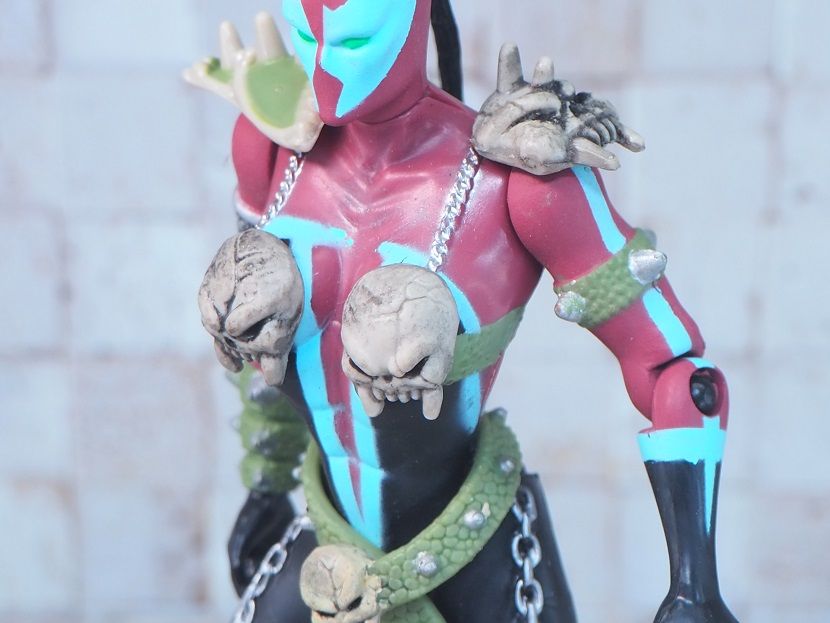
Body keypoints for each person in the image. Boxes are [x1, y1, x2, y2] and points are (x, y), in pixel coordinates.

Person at [186, 1, 739, 621]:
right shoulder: (272, 149)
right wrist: (266, 481)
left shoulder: (520, 184)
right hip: (326, 549)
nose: (322, 70)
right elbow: (257, 345)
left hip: (474, 565)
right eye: (305, 34)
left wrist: (695, 583)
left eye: (351, 41)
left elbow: (673, 370)